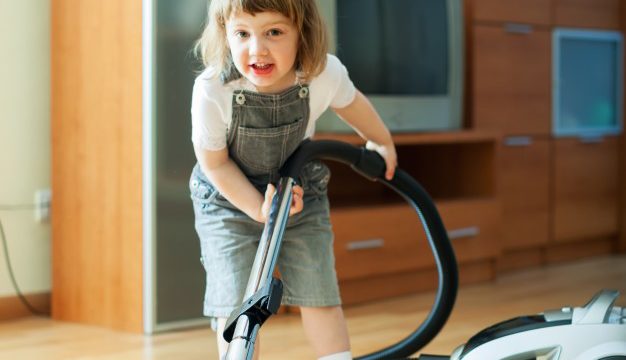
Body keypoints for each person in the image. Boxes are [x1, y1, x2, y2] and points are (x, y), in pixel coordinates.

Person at [189, 0, 397, 359]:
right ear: (225, 34)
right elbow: (216, 164)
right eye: (242, 33)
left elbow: (352, 102)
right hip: (227, 201)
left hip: (300, 193)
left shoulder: (320, 73)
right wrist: (258, 209)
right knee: (237, 302)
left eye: (274, 32)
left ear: (303, 31)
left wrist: (382, 141)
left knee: (320, 292)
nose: (258, 49)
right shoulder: (214, 89)